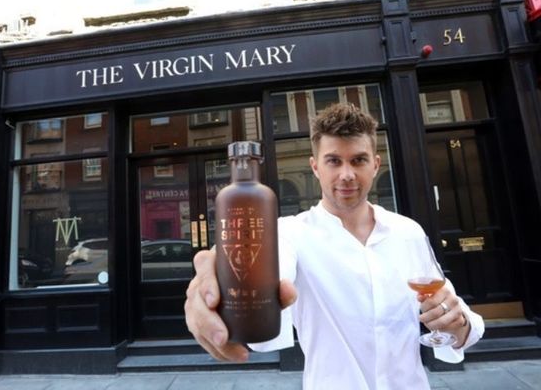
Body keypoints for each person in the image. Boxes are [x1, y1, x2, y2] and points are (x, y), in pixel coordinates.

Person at [184, 103, 485, 389]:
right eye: (333, 161)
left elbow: (458, 317)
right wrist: (220, 285)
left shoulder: (409, 232)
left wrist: (455, 324)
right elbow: (260, 265)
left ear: (375, 164)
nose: (346, 174)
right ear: (315, 167)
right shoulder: (289, 233)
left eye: (358, 160)